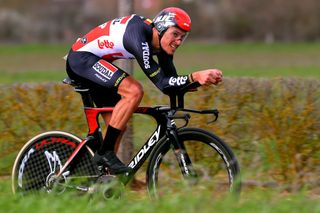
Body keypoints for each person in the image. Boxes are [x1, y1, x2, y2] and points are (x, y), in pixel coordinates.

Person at [66, 7, 223, 175]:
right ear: (161, 29)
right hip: (81, 59)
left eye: (182, 37)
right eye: (175, 34)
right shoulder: (138, 36)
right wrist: (195, 76)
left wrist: (199, 81)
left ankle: (101, 179)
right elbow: (162, 83)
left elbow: (172, 84)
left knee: (118, 125)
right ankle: (105, 154)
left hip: (95, 62)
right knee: (134, 91)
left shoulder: (162, 45)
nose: (178, 41)